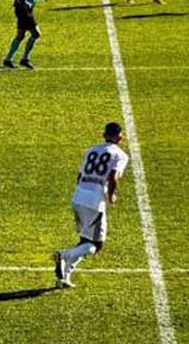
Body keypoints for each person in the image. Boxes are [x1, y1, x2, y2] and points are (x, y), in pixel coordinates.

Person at [52, 122, 129, 289]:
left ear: (104, 134)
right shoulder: (120, 155)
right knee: (96, 244)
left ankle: (64, 277)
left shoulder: (91, 150)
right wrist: (110, 196)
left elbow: (80, 175)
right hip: (94, 201)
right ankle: (63, 255)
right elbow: (112, 176)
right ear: (119, 136)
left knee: (85, 240)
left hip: (78, 196)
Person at [4, 0, 48, 70]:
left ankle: (8, 59)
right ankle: (25, 59)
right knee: (36, 33)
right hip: (23, 9)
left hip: (26, 9)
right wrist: (24, 2)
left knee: (21, 35)